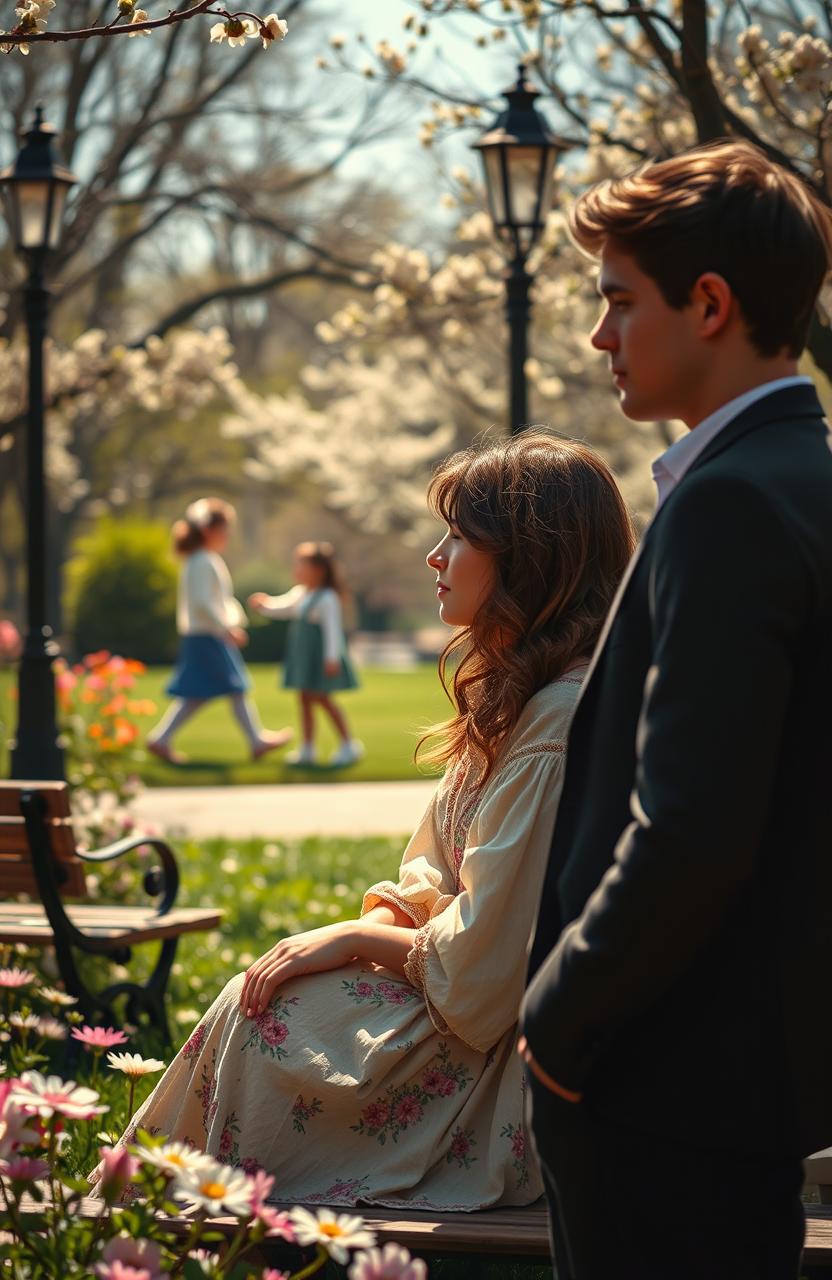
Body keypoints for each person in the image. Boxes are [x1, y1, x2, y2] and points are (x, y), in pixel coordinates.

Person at [96, 432, 634, 1210]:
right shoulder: (517, 699)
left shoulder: (554, 721)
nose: (434, 556)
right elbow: (436, 872)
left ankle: (168, 1222)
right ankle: (148, 1219)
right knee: (264, 1006)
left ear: (526, 557)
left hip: (502, 1076)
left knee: (270, 1027)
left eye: (459, 535)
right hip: (461, 1014)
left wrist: (360, 940)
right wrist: (394, 926)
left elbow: (484, 979)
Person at [520, 141, 832, 1280]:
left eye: (616, 302)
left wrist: (556, 1024)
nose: (599, 336)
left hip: (659, 1083)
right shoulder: (806, 478)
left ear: (708, 304)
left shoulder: (733, 502)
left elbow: (692, 825)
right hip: (744, 1082)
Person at [147, 498, 292, 764]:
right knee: (233, 688)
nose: (228, 536)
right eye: (224, 529)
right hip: (207, 635)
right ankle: (255, 740)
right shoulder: (203, 561)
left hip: (204, 634)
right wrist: (226, 628)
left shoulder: (199, 560)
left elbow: (215, 600)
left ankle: (162, 739)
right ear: (208, 530)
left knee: (202, 693)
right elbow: (204, 602)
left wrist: (231, 622)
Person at [248, 541, 362, 768]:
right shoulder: (301, 594)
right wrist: (264, 605)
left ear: (319, 570)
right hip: (303, 656)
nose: (297, 570)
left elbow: (332, 631)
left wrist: (332, 658)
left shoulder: (327, 598)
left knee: (323, 699)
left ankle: (349, 745)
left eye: (302, 565)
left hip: (318, 658)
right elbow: (282, 607)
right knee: (304, 699)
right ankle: (307, 748)